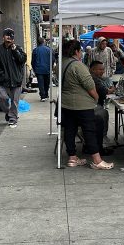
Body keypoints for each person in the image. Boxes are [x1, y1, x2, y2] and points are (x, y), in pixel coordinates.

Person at [60, 40, 113, 170]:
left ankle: (72, 158)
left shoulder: (61, 64)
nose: (81, 53)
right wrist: (96, 98)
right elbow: (90, 86)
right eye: (80, 51)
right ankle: (96, 160)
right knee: (90, 130)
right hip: (82, 105)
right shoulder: (78, 66)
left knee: (70, 129)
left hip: (66, 103)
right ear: (77, 51)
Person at [0, 28, 27, 127]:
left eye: (11, 35)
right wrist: (1, 75)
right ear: (3, 37)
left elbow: (22, 60)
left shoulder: (18, 48)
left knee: (15, 101)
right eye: (7, 35)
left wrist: (15, 50)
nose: (9, 37)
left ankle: (13, 118)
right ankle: (8, 112)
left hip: (16, 80)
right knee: (2, 98)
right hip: (3, 80)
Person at [89, 60, 114, 156]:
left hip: (90, 105)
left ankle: (102, 140)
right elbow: (104, 91)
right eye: (100, 69)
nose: (102, 71)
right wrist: (111, 90)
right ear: (92, 70)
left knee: (103, 112)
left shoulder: (96, 78)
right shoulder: (93, 79)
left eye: (103, 69)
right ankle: (102, 141)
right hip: (90, 106)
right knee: (103, 113)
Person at [31, 37, 52, 102]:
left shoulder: (35, 50)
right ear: (44, 42)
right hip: (47, 69)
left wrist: (34, 69)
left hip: (38, 70)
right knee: (47, 83)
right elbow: (52, 59)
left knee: (41, 83)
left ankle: (43, 96)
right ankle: (46, 94)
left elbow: (33, 61)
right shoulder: (49, 50)